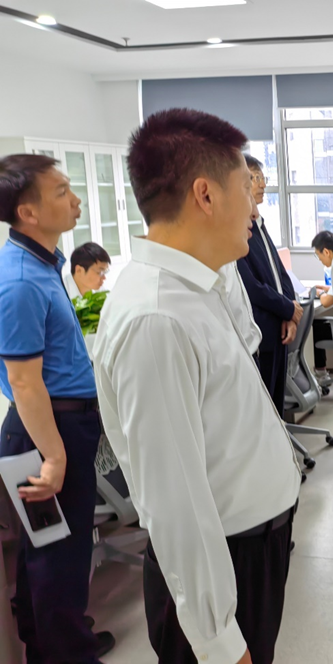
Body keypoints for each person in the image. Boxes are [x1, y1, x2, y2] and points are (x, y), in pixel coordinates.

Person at [93, 109, 300, 664]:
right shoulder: (157, 317)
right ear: (206, 195)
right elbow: (173, 500)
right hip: (224, 562)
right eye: (246, 189)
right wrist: (219, 640)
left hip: (254, 545)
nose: (255, 207)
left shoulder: (199, 286)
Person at [0, 154, 115, 663]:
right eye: (63, 192)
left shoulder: (44, 263)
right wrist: (54, 456)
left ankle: (54, 644)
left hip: (56, 424)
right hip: (47, 431)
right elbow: (24, 383)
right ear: (28, 212)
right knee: (59, 558)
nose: (77, 200)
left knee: (47, 549)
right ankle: (67, 653)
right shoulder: (21, 280)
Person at [237, 154, 303, 416]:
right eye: (254, 178)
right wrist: (287, 309)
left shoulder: (259, 224)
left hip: (279, 329)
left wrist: (290, 311)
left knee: (277, 407)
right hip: (261, 331)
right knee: (264, 411)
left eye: (262, 177)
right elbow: (251, 287)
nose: (262, 184)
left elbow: (281, 274)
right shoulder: (239, 232)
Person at [310, 230, 333, 379]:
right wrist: (327, 288)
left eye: (318, 255)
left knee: (313, 326)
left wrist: (320, 293)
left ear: (326, 252)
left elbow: (327, 302)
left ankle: (320, 372)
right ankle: (321, 370)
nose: (320, 260)